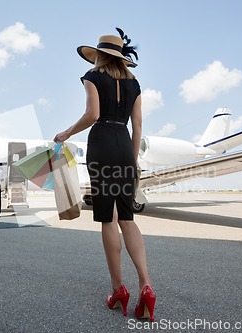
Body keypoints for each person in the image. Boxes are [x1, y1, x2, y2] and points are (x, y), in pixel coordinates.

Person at [53, 28, 155, 321]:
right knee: (127, 217)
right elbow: (137, 127)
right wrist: (133, 162)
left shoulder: (92, 77)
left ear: (98, 55)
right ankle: (146, 286)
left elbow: (93, 114)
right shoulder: (135, 84)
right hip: (124, 145)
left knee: (107, 218)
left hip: (101, 144)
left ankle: (118, 289)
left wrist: (66, 133)